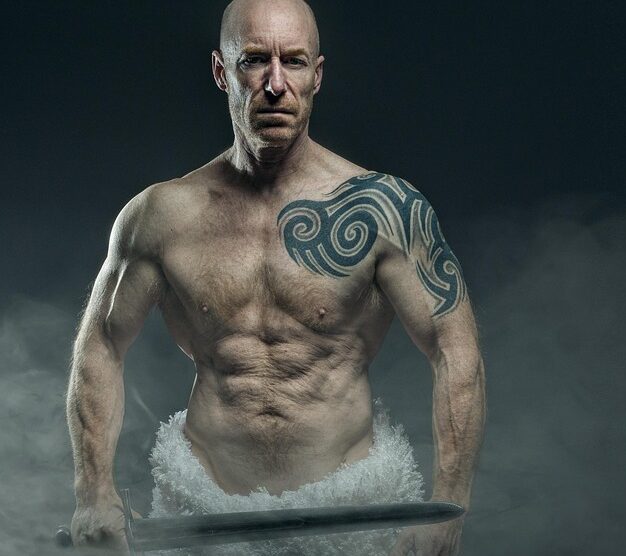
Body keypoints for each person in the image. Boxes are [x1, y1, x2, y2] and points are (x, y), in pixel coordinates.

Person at [65, 0, 486, 554]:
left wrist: (449, 503)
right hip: (204, 514)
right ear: (222, 71)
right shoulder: (160, 217)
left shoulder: (383, 211)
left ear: (318, 74)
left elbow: (455, 347)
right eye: (254, 60)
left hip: (350, 517)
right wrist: (94, 492)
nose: (275, 84)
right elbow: (101, 346)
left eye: (294, 61)